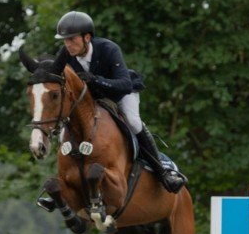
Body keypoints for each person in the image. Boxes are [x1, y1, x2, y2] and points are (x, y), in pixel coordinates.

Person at [54, 11, 186, 194]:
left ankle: (163, 172)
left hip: (121, 94)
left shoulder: (109, 49)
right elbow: (53, 74)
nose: (68, 44)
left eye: (72, 39)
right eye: (65, 40)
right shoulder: (65, 54)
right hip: (92, 100)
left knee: (132, 121)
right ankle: (63, 182)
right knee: (64, 130)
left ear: (87, 37)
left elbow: (124, 84)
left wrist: (95, 80)